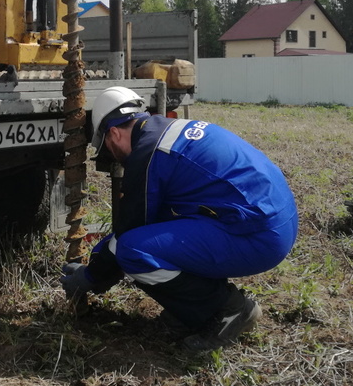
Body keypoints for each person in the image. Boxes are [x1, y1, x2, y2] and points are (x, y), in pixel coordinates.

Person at [61, 87, 299, 351]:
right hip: (277, 220)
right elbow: (154, 221)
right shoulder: (166, 131)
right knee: (155, 239)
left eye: (105, 146)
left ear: (114, 133)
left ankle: (227, 311)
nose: (111, 154)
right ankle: (190, 306)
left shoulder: (147, 155)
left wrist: (91, 276)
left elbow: (130, 232)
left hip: (259, 237)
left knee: (134, 251)